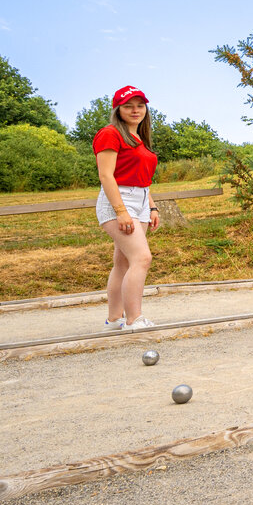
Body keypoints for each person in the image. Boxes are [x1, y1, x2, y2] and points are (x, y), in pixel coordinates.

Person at [93, 85, 160, 331]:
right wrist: (121, 212)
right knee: (142, 258)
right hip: (118, 200)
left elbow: (141, 178)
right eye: (128, 105)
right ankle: (134, 320)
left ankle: (113, 320)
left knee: (123, 263)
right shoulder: (110, 134)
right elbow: (106, 175)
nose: (135, 110)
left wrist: (152, 208)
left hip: (141, 200)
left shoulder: (139, 138)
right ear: (118, 109)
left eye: (140, 105)